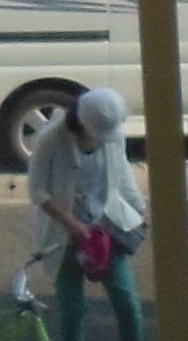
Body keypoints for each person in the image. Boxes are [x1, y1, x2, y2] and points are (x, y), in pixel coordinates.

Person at [26, 87, 147, 341]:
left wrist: (139, 209)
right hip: (63, 239)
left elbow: (122, 176)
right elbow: (38, 192)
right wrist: (71, 225)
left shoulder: (112, 138)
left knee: (128, 306)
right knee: (73, 311)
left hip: (105, 231)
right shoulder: (50, 140)